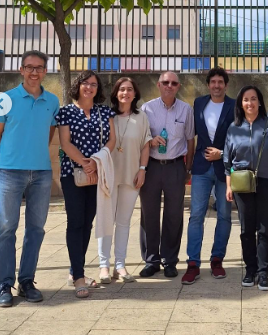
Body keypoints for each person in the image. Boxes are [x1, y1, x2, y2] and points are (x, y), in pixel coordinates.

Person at [0, 51, 60, 307]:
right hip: (9, 172)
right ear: (21, 70)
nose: (34, 72)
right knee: (5, 229)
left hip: (42, 174)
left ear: (45, 71)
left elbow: (49, 135)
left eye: (39, 68)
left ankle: (26, 281)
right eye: (29, 67)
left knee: (36, 229)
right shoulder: (5, 99)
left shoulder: (52, 101)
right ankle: (4, 284)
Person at [57, 70, 116, 298]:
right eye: (85, 83)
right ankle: (79, 277)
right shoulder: (66, 112)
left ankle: (75, 271)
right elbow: (65, 142)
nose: (89, 88)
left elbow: (112, 140)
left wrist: (95, 161)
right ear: (78, 86)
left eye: (93, 84)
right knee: (75, 222)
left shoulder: (104, 112)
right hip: (73, 173)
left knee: (88, 223)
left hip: (97, 173)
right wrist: (84, 162)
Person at [224, 85, 268, 291]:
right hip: (242, 183)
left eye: (253, 99)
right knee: (246, 229)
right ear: (240, 104)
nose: (249, 103)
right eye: (245, 100)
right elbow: (227, 162)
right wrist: (228, 187)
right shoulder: (233, 128)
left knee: (265, 229)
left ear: (259, 102)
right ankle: (249, 269)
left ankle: (263, 271)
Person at [182, 67, 235, 285]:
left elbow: (238, 138)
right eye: (212, 81)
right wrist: (188, 166)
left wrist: (221, 154)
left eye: (220, 82)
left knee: (224, 215)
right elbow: (192, 136)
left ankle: (217, 259)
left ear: (225, 84)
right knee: (196, 215)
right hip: (202, 168)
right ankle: (193, 263)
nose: (216, 85)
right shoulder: (199, 103)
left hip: (225, 168)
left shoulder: (234, 106)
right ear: (208, 84)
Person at [139, 72, 194, 278]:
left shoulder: (186, 109)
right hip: (151, 166)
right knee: (149, 213)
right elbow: (141, 138)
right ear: (158, 85)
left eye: (173, 83)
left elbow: (190, 140)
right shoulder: (147, 109)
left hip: (175, 168)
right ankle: (151, 260)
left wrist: (187, 168)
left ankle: (170, 260)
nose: (169, 86)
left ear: (178, 86)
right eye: (165, 83)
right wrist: (151, 140)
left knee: (174, 215)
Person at [97, 77, 152, 283]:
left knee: (123, 222)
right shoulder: (105, 114)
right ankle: (104, 265)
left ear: (135, 94)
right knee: (105, 220)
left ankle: (120, 264)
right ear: (116, 93)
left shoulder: (141, 117)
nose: (126, 93)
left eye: (130, 89)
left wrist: (142, 169)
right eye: (122, 89)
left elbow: (146, 144)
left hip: (131, 174)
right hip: (108, 176)